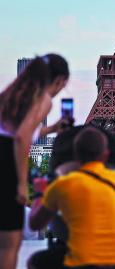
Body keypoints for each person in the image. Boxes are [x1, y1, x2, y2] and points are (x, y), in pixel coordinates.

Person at [28, 127, 115, 269]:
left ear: (76, 156)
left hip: (82, 264)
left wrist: (40, 193)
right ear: (106, 155)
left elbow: (35, 224)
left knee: (35, 261)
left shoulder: (63, 184)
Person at [0, 54, 70, 269]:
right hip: (6, 161)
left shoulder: (11, 94)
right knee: (10, 243)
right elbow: (21, 138)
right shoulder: (44, 99)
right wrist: (21, 183)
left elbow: (17, 129)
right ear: (58, 81)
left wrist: (50, 129)